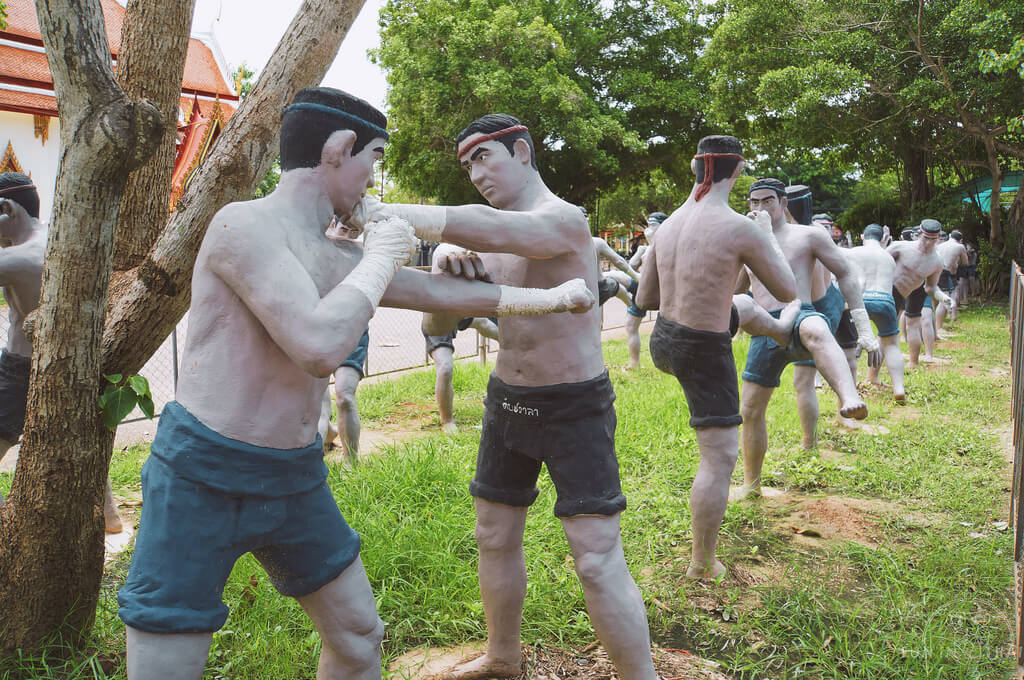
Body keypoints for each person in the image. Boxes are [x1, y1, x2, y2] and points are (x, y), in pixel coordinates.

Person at [116, 90, 594, 680]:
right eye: (373, 158)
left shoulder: (334, 252)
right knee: (169, 659)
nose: (373, 179)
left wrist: (550, 299)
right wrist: (380, 257)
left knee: (360, 638)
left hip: (294, 476)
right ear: (340, 149)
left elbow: (433, 291)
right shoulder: (242, 224)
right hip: (203, 473)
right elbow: (317, 345)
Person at [372, 113, 658, 680]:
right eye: (467, 165)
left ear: (522, 152)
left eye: (483, 157)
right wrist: (447, 271)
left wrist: (390, 215)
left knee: (596, 558)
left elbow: (501, 231)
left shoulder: (564, 220)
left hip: (574, 404)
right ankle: (503, 657)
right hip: (508, 399)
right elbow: (437, 323)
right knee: (493, 536)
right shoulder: (478, 240)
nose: (476, 173)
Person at [634, 135, 797, 579]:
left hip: (664, 340)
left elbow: (645, 298)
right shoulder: (740, 227)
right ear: (738, 170)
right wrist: (765, 235)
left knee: (740, 306)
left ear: (695, 167)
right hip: (702, 349)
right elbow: (786, 290)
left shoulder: (667, 225)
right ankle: (703, 564)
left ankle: (777, 331)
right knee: (721, 457)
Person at [734, 178, 880, 501]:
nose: (759, 208)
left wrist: (864, 327)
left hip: (800, 311)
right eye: (754, 202)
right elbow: (735, 287)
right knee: (750, 409)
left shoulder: (808, 235)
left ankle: (849, 396)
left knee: (816, 330)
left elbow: (845, 272)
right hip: (766, 325)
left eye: (767, 201)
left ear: (783, 203)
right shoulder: (748, 242)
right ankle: (751, 484)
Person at [0, 173, 124, 532]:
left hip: (21, 369)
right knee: (78, 439)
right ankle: (110, 515)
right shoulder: (55, 239)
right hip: (71, 361)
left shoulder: (19, 258)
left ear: (7, 208)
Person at [422, 244, 500, 434]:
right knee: (445, 367)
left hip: (464, 309)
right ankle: (447, 421)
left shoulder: (480, 246)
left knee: (505, 338)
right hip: (440, 312)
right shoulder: (445, 248)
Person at [846, 224, 905, 402]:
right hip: (885, 301)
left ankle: (850, 390)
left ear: (862, 237)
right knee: (892, 344)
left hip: (860, 300)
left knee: (848, 345)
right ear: (882, 239)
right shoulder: (889, 258)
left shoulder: (853, 253)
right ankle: (899, 388)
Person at [887, 218, 952, 370]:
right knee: (888, 327)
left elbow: (931, 287)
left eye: (932, 239)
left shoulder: (937, 261)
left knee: (913, 324)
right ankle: (876, 371)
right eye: (925, 238)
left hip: (918, 288)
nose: (928, 243)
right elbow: (880, 262)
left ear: (938, 238)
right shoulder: (900, 247)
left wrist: (942, 297)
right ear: (918, 235)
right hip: (894, 288)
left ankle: (914, 362)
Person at [621, 212, 667, 370]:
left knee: (668, 327)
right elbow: (630, 268)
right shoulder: (645, 249)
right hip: (642, 288)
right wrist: (640, 253)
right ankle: (635, 363)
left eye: (653, 225)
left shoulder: (668, 247)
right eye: (649, 225)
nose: (649, 229)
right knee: (630, 325)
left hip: (662, 290)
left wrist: (653, 244)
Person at [936, 229, 968, 330]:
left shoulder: (941, 245)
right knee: (944, 300)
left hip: (938, 271)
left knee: (951, 294)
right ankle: (939, 327)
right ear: (960, 240)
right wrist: (957, 260)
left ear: (950, 236)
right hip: (945, 272)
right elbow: (966, 262)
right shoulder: (960, 246)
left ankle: (952, 316)